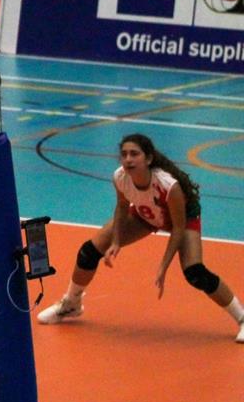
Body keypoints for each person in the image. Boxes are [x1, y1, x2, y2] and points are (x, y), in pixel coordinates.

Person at [38, 133, 244, 343]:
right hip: (146, 214)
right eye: (124, 154)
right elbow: (121, 207)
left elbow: (178, 228)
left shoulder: (168, 185)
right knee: (88, 252)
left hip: (181, 219)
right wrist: (115, 242)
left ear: (148, 159)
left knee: (195, 272)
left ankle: (242, 318)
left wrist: (163, 266)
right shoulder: (120, 177)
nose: (128, 159)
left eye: (134, 154)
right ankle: (71, 303)